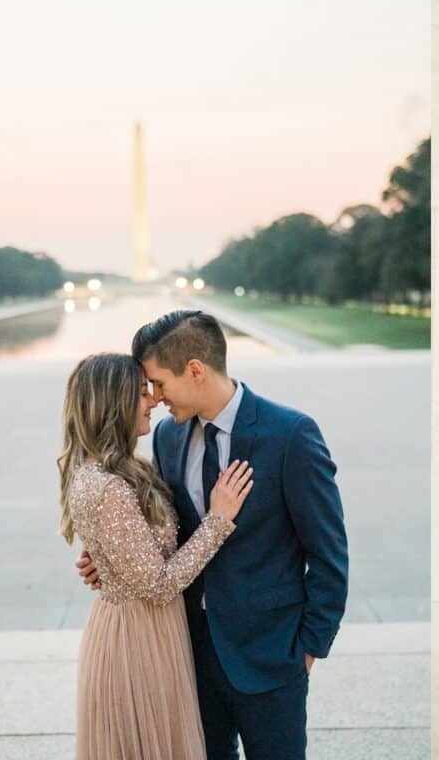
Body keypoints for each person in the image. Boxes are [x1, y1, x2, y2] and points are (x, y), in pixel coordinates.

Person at [77, 310, 349, 759]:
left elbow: (328, 553)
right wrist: (110, 553)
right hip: (187, 655)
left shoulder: (290, 435)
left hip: (270, 657)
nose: (156, 398)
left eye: (159, 383)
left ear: (196, 370)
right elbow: (168, 531)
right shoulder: (167, 437)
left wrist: (306, 650)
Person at [59, 352, 253, 759]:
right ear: (114, 403)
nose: (152, 401)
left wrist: (109, 560)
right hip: (137, 639)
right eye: (141, 393)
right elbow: (158, 583)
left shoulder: (124, 468)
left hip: (148, 629)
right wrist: (218, 519)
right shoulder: (109, 486)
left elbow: (136, 552)